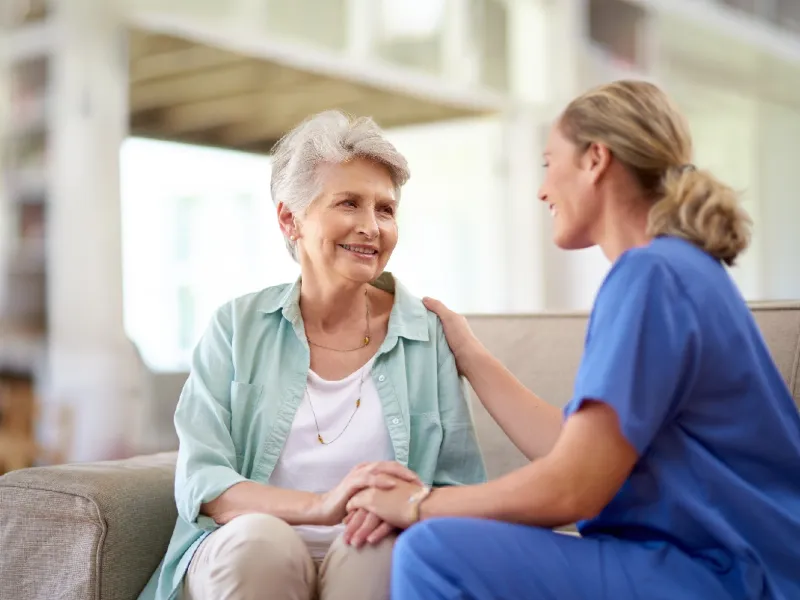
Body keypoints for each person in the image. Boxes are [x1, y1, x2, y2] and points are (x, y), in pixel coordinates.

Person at [345, 80, 800, 599]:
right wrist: (469, 353)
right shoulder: (679, 270)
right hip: (725, 565)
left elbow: (572, 487)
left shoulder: (651, 277)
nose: (542, 189)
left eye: (547, 162)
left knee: (434, 550)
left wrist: (417, 504)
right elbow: (574, 449)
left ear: (595, 160)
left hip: (727, 576)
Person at [137, 110, 486, 600]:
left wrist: (408, 505)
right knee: (262, 544)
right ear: (289, 218)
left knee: (385, 549)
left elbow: (457, 484)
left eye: (385, 210)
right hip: (250, 545)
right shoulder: (235, 327)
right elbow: (205, 481)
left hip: (371, 547)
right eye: (349, 203)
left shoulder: (427, 335)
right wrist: (322, 505)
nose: (371, 227)